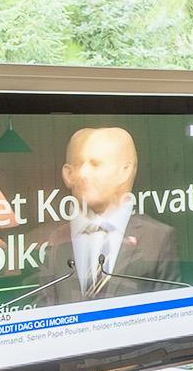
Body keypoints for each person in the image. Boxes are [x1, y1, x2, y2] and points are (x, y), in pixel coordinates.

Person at [39, 126, 180, 303]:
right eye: (78, 164)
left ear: (125, 171)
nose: (83, 174)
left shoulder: (157, 238)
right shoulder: (58, 240)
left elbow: (169, 310)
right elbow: (43, 305)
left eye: (95, 164)